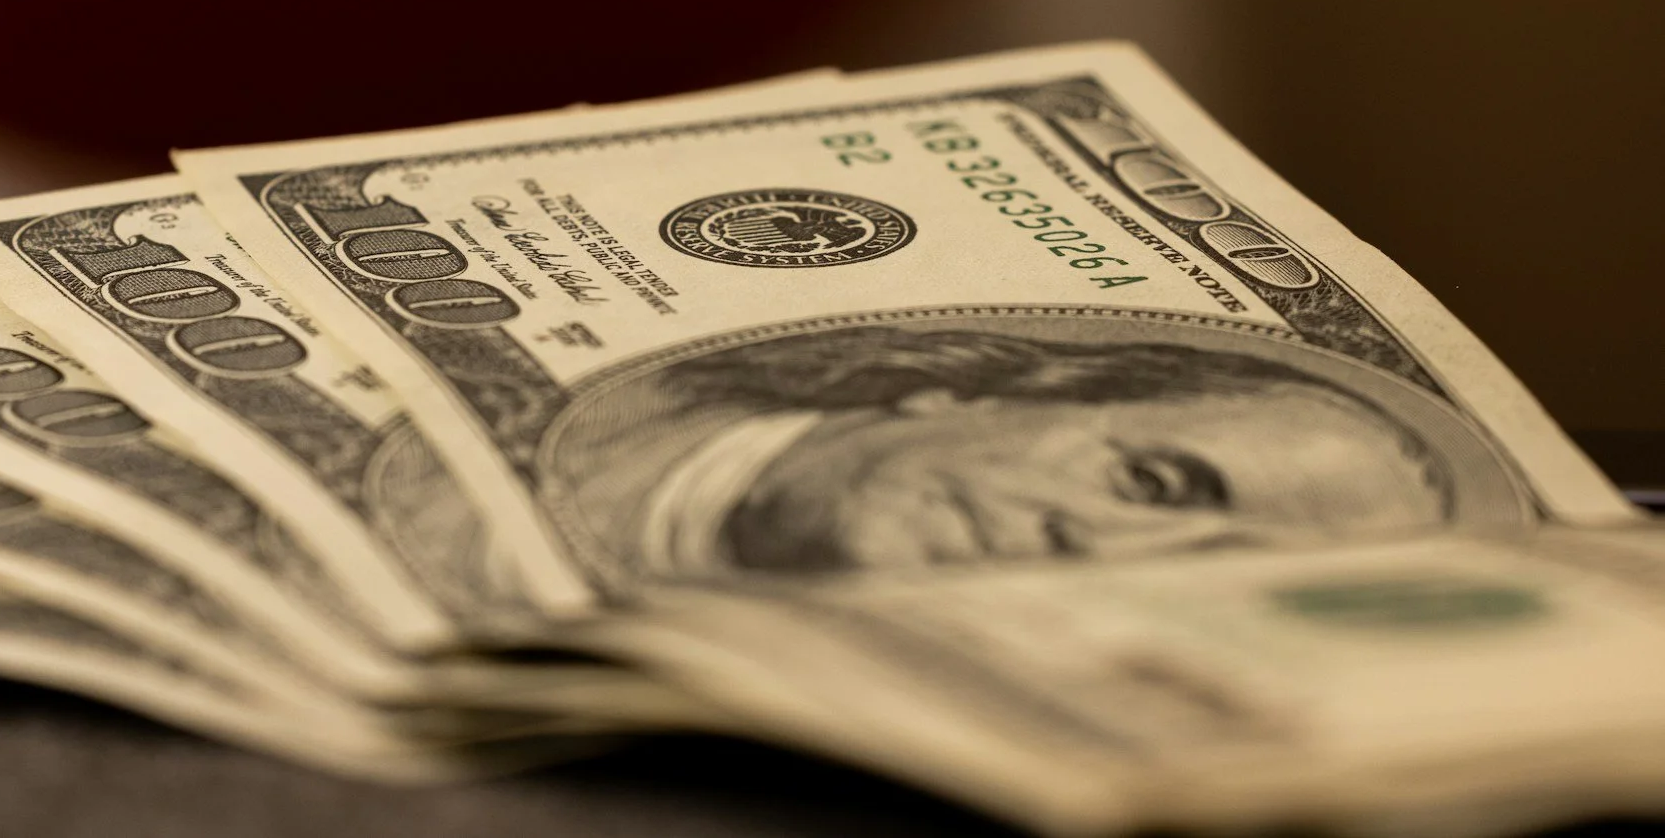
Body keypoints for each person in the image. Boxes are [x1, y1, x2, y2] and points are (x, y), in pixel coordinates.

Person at [538, 323, 1457, 584]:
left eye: (1198, 576)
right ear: (978, 392)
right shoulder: (592, 435)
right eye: (1147, 482)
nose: (1106, 555)